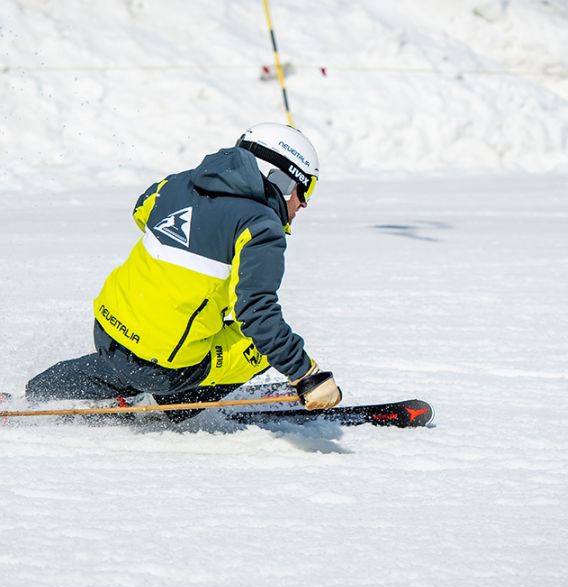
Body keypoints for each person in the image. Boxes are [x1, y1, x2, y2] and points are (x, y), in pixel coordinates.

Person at [26, 122, 341, 421]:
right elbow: (258, 314)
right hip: (164, 369)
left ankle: (44, 389)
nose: (304, 205)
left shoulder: (177, 183)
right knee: (259, 345)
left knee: (150, 342)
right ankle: (173, 403)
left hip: (107, 331)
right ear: (282, 180)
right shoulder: (260, 226)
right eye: (306, 189)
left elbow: (142, 210)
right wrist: (306, 374)